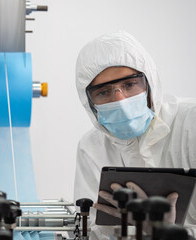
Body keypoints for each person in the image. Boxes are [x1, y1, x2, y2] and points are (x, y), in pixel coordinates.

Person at [74, 31, 196, 240]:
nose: (120, 100)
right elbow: (93, 230)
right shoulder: (91, 147)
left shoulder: (191, 123)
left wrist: (175, 235)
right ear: (89, 103)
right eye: (104, 92)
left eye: (129, 85)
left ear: (149, 83)